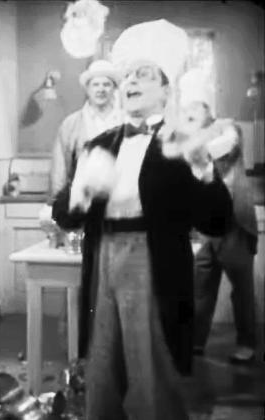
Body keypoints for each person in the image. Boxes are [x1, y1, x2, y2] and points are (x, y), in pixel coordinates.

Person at [52, 20, 233, 420]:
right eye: (128, 75)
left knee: (153, 369)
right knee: (100, 368)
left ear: (167, 90)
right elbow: (64, 215)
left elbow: (217, 221)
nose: (131, 81)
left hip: (152, 261)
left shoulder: (180, 145)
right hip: (101, 259)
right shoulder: (99, 144)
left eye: (144, 74)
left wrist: (204, 169)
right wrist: (81, 191)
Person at [179, 97, 258, 364]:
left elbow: (222, 147)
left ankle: (247, 344)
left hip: (235, 221)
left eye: (194, 113)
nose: (188, 116)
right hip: (205, 225)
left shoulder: (227, 128)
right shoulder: (188, 139)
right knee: (201, 285)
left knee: (242, 288)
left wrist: (188, 146)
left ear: (208, 115)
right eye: (186, 113)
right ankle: (194, 342)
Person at [49, 59, 122, 199]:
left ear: (114, 88)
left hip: (119, 199)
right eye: (95, 84)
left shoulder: (125, 121)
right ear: (87, 89)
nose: (101, 89)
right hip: (82, 200)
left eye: (106, 84)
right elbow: (59, 170)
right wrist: (57, 202)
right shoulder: (71, 124)